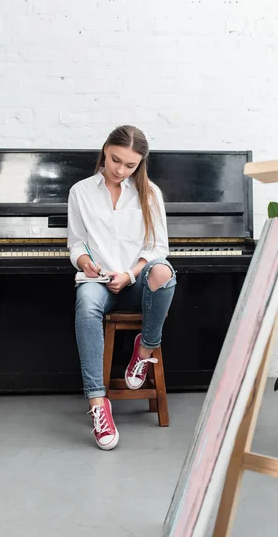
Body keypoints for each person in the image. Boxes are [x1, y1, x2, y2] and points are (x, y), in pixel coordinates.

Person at [67, 125, 176, 450]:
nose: (120, 169)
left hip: (136, 280)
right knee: (86, 301)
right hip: (98, 282)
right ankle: (99, 404)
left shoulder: (149, 193)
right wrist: (86, 263)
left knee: (163, 272)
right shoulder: (81, 191)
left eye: (130, 165)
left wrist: (130, 274)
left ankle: (144, 350)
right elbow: (76, 243)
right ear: (105, 150)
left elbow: (158, 247)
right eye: (115, 160)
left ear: (139, 164)